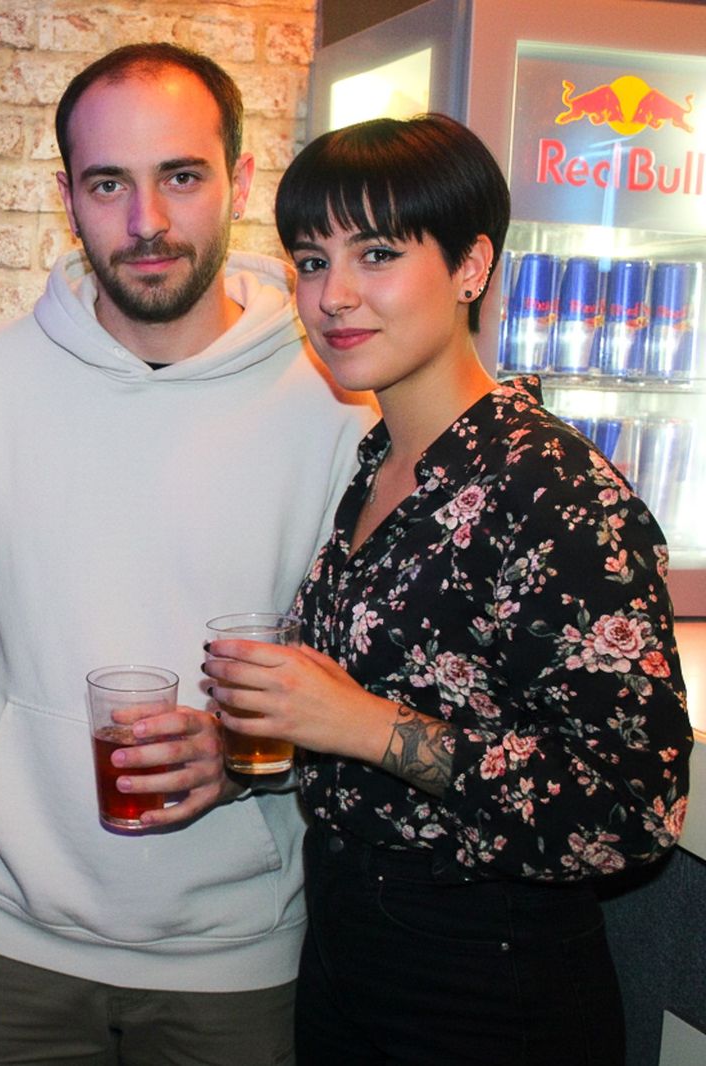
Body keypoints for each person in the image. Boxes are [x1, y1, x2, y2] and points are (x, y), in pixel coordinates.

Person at [0, 43, 373, 1064]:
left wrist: (256, 750)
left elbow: (367, 682)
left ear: (240, 182)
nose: (147, 222)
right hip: (7, 939)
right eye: (109, 183)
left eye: (181, 176)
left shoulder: (336, 407)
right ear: (65, 197)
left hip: (240, 955)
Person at [207, 113, 693, 1065]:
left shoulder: (554, 492)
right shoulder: (383, 457)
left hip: (487, 981)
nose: (334, 296)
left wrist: (361, 725)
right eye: (311, 261)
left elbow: (631, 812)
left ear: (472, 266)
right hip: (351, 949)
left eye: (377, 253)